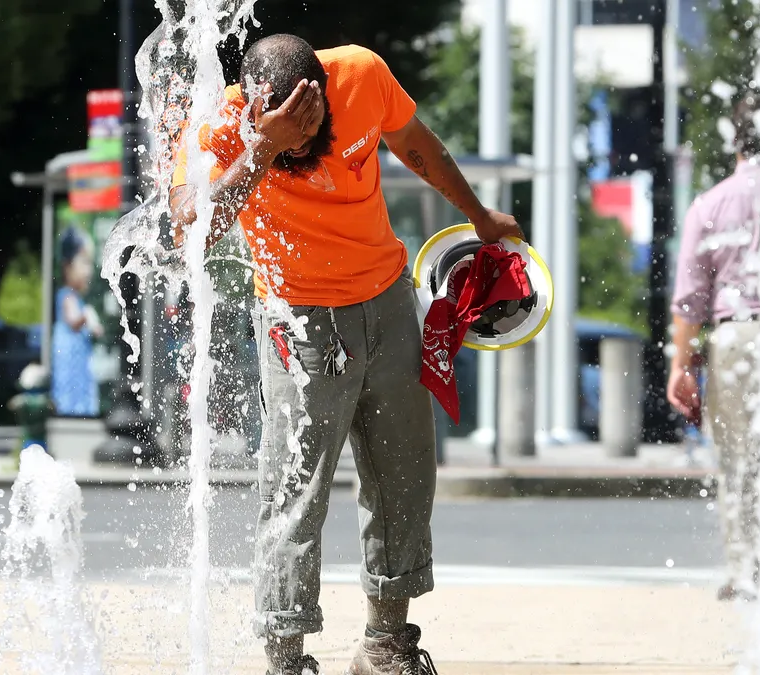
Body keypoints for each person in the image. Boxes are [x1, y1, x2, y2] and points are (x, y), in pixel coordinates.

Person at [170, 34, 522, 675]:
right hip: (297, 322)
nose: (306, 145)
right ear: (253, 108)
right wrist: (264, 147)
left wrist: (477, 214)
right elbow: (189, 226)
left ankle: (385, 646)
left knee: (404, 476)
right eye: (292, 136)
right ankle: (285, 656)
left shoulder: (361, 74)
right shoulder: (219, 127)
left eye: (315, 128)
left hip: (387, 301)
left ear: (327, 94)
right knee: (295, 491)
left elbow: (415, 143)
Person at [666, 90, 760, 603]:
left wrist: (681, 366)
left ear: (735, 139)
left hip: (737, 336)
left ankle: (749, 572)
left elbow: (690, 300)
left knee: (737, 460)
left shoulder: (711, 203)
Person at [51, 227, 104, 417]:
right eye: (84, 263)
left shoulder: (75, 298)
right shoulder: (67, 297)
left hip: (78, 363)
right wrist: (87, 316)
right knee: (72, 398)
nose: (88, 271)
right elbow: (73, 320)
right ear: (67, 266)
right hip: (70, 365)